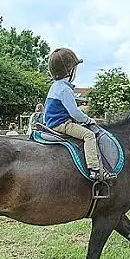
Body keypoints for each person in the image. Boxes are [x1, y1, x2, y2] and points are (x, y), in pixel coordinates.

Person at [43, 48, 106, 180]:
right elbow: (74, 112)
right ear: (70, 71)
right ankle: (94, 169)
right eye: (75, 69)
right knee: (89, 135)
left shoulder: (55, 86)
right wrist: (88, 120)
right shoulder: (65, 89)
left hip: (50, 123)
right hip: (62, 124)